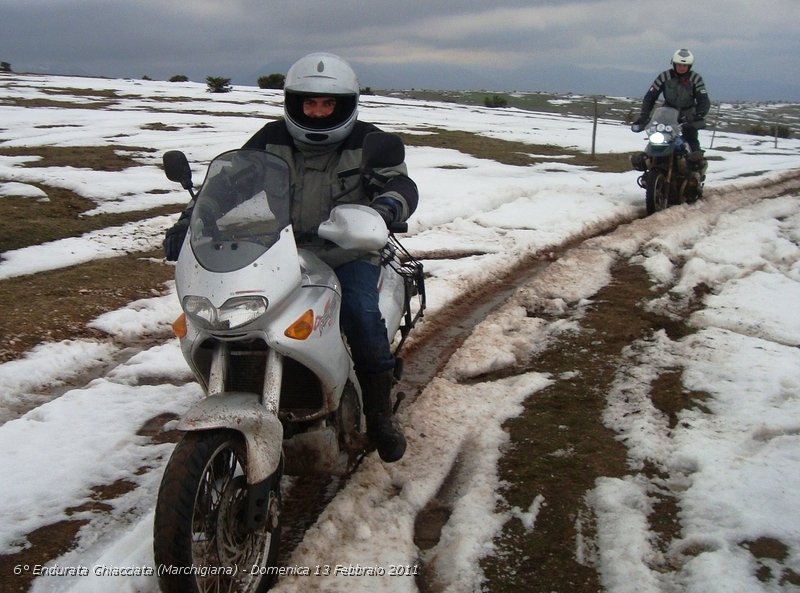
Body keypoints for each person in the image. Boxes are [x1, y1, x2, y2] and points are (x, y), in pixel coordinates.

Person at [163, 52, 418, 463]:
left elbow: (400, 185)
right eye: (309, 103)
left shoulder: (367, 142)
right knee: (239, 312)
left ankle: (379, 416)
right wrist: (191, 219)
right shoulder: (271, 138)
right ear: (295, 103)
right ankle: (249, 385)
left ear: (345, 105)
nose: (317, 113)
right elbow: (229, 184)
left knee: (360, 316)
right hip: (279, 249)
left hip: (346, 250)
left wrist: (385, 209)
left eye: (328, 104)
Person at [632, 48, 711, 165]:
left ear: (689, 66)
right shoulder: (664, 77)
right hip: (667, 114)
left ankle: (696, 169)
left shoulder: (696, 79)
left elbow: (703, 100)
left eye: (685, 65)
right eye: (679, 65)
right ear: (673, 64)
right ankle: (647, 161)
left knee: (692, 141)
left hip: (688, 115)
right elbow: (650, 96)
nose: (681, 67)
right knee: (656, 139)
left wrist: (698, 115)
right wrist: (644, 116)